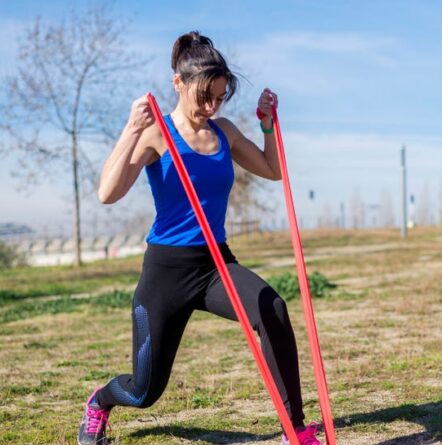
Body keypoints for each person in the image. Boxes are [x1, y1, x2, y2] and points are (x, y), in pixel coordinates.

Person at [77, 31, 322, 445]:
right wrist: (131, 130)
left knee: (273, 309)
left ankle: (294, 430)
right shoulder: (157, 133)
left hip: (215, 264)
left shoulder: (222, 132)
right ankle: (100, 402)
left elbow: (271, 168)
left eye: (220, 98)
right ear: (178, 83)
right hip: (166, 270)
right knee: (144, 390)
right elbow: (107, 193)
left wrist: (266, 126)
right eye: (204, 96)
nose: (211, 107)